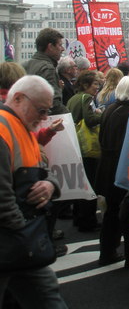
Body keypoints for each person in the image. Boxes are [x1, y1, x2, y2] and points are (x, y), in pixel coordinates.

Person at [0, 75, 68, 309]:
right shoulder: (4, 128)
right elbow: (2, 198)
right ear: (18, 99)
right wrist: (24, 236)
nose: (44, 117)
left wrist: (50, 186)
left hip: (17, 245)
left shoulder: (22, 127)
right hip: (14, 241)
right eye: (40, 110)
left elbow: (40, 170)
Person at [95, 75, 129, 267]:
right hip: (119, 167)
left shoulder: (110, 109)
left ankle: (107, 251)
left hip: (106, 166)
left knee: (111, 212)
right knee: (126, 214)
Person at [67, 70, 103, 232]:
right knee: (90, 183)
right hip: (87, 146)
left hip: (75, 143)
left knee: (80, 183)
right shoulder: (87, 98)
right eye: (95, 83)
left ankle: (78, 216)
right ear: (85, 85)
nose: (97, 87)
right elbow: (90, 120)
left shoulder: (73, 99)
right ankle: (88, 220)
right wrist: (101, 114)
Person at [22, 28, 67, 115]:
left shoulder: (25, 65)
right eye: (60, 45)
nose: (62, 49)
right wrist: (70, 118)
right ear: (50, 47)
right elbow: (54, 104)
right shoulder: (47, 69)